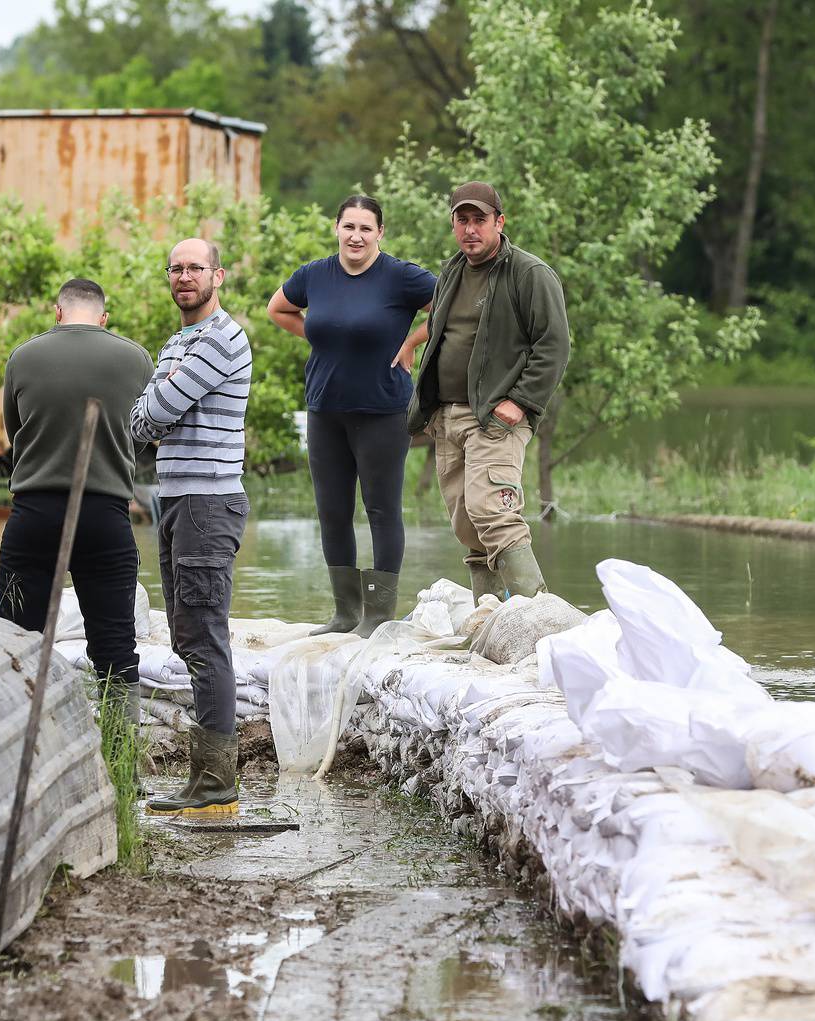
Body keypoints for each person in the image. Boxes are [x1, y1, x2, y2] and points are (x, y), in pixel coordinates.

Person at [267, 194, 435, 636]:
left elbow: (451, 310)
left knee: (382, 511)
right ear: (336, 229)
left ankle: (377, 617)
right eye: (349, 227)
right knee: (333, 512)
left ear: (380, 232)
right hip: (325, 411)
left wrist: (412, 341)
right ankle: (345, 613)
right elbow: (277, 309)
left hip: (383, 411)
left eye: (365, 228)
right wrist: (321, 337)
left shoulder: (401, 277)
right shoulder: (315, 275)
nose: (356, 235)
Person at [130, 238, 253, 818]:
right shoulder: (176, 342)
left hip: (208, 502)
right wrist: (159, 401)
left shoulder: (222, 338)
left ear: (218, 275)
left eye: (195, 268)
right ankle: (205, 779)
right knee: (185, 635)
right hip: (175, 499)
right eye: (175, 268)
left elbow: (156, 412)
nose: (184, 276)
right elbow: (139, 421)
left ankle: (215, 783)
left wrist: (160, 401)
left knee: (204, 637)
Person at [406, 181, 569, 602]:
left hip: (496, 416)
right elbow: (443, 335)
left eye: (480, 220)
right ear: (453, 224)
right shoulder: (452, 271)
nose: (471, 230)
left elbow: (554, 345)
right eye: (463, 220)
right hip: (448, 417)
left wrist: (521, 402)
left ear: (500, 221)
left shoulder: (530, 273)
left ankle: (537, 617)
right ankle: (490, 619)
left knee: (493, 511)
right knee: (467, 524)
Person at [0, 276, 151, 711]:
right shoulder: (135, 358)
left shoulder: (23, 357)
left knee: (15, 641)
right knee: (116, 650)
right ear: (104, 317)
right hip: (105, 514)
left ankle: (15, 743)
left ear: (58, 312)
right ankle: (122, 765)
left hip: (35, 511)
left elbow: (15, 432)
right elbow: (143, 429)